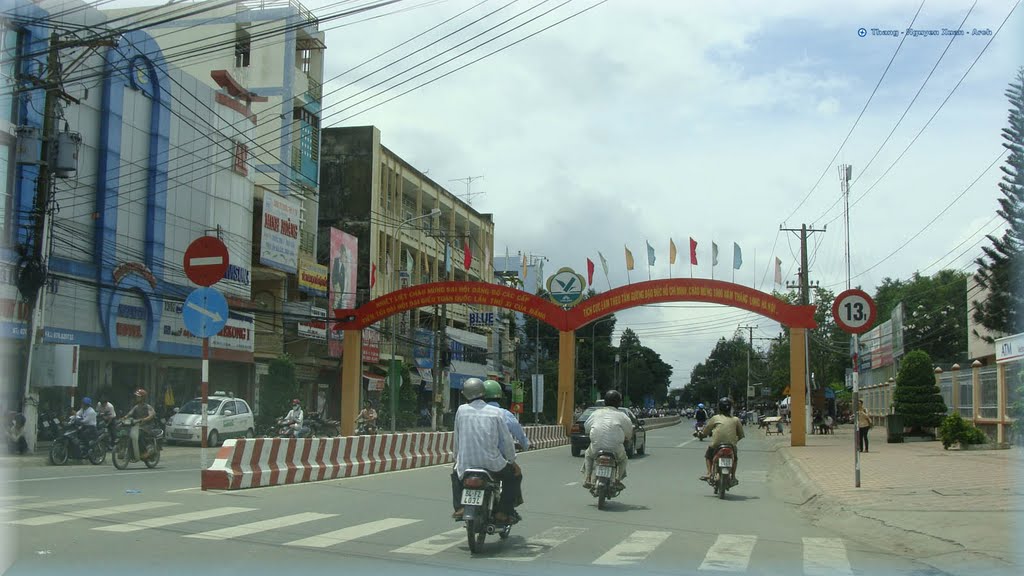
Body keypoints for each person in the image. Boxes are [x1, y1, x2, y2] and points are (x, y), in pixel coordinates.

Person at [450, 378, 522, 524]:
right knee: (514, 477)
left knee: (455, 475)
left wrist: (457, 459)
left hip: (467, 464)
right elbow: (507, 440)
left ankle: (459, 508)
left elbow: (456, 438)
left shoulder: (461, 410)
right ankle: (502, 512)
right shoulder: (496, 412)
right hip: (492, 464)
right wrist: (512, 460)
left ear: (465, 395)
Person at [581, 390, 633, 490]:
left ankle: (587, 478)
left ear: (605, 402)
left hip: (596, 446)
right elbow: (629, 431)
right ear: (619, 402)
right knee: (623, 459)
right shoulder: (622, 415)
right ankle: (617, 480)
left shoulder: (596, 413)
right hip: (615, 448)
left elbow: (586, 426)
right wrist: (627, 437)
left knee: (588, 455)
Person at [698, 397, 745, 485]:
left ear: (719, 407)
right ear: (730, 408)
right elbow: (741, 435)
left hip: (716, 445)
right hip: (731, 445)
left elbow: (706, 431)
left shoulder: (715, 418)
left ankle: (709, 473)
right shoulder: (736, 419)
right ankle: (733, 476)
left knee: (708, 456)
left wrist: (701, 435)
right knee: (735, 459)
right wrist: (734, 441)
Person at [483, 380, 529, 451]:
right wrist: (525, 445)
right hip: (498, 458)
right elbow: (519, 433)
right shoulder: (505, 414)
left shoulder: (471, 414)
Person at [124, 389, 156, 459]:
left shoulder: (148, 406)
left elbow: (152, 414)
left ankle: (146, 451)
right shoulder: (136, 406)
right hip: (138, 426)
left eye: (139, 396)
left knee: (140, 434)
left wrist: (145, 419)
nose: (137, 398)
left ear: (143, 398)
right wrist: (124, 417)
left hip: (147, 426)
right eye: (137, 396)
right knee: (129, 433)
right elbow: (130, 413)